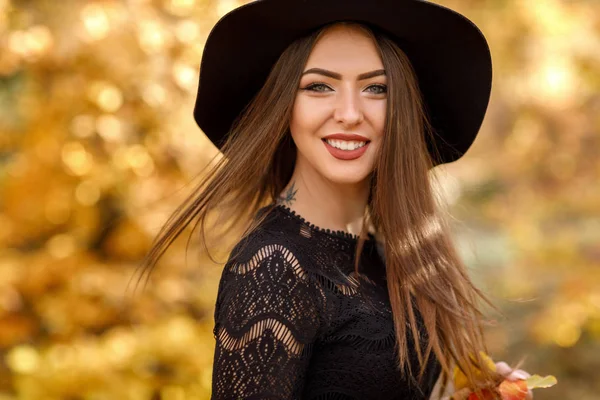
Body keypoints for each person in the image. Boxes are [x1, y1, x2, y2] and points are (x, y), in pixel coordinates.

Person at [137, 0, 534, 399]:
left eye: (376, 88)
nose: (349, 113)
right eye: (318, 86)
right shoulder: (275, 265)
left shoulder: (388, 256)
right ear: (283, 105)